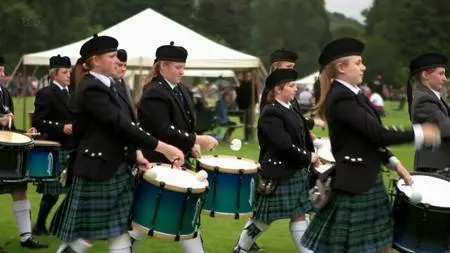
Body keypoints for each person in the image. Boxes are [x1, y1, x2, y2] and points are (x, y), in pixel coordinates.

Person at [300, 37, 440, 253]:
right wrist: (421, 132)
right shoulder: (341, 99)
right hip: (355, 186)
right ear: (341, 67)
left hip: (368, 180)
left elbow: (369, 138)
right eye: (358, 62)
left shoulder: (356, 95)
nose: (363, 67)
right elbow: (378, 133)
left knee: (384, 245)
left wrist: (393, 163)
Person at [49, 34, 184, 253]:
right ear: (95, 60)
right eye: (112, 56)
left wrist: (137, 154)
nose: (116, 60)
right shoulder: (91, 88)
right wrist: (163, 147)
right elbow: (120, 124)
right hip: (99, 168)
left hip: (118, 166)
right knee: (88, 236)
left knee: (120, 233)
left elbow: (126, 126)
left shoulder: (113, 85)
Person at [137, 41, 218, 253]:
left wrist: (191, 145)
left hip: (175, 161)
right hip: (156, 161)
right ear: (162, 66)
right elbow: (164, 129)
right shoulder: (155, 91)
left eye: (183, 66)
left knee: (181, 215)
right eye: (177, 67)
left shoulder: (179, 89)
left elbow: (183, 123)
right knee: (148, 219)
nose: (182, 71)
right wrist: (196, 139)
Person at [233, 69, 318, 253]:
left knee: (299, 215)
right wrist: (308, 156)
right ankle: (241, 249)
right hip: (278, 173)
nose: (296, 89)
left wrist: (312, 151)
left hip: (295, 171)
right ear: (278, 90)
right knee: (263, 219)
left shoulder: (291, 108)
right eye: (291, 86)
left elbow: (300, 133)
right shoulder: (270, 113)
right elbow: (284, 144)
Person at [0, 55, 48, 252]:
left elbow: (9, 127)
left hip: (6, 152)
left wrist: (23, 133)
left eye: (2, 69)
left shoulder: (4, 93)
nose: (3, 73)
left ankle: (26, 236)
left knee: (20, 189)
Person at [31, 55, 74, 235]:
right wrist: (61, 127)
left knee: (72, 191)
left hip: (73, 147)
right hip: (56, 147)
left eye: (69, 72)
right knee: (53, 192)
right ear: (54, 74)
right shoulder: (46, 93)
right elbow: (38, 120)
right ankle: (40, 225)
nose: (68, 75)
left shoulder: (72, 93)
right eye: (64, 72)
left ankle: (61, 226)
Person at [409, 53, 450, 177]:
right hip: (435, 166)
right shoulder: (424, 99)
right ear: (425, 75)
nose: (445, 78)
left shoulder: (434, 97)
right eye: (441, 73)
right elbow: (445, 128)